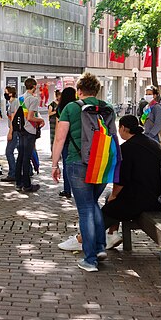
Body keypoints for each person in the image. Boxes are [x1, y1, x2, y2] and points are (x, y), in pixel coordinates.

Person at [51, 72, 110, 272]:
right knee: (94, 204)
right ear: (97, 90)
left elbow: (60, 139)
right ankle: (101, 247)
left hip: (78, 162)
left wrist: (54, 164)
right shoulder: (107, 108)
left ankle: (90, 258)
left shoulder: (71, 107)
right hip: (102, 163)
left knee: (85, 209)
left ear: (79, 91)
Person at [100, 115, 161, 247]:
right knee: (112, 199)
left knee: (109, 207)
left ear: (123, 128)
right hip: (159, 196)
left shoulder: (126, 148)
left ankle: (83, 239)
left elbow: (121, 180)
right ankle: (112, 235)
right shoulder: (153, 143)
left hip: (141, 200)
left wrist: (114, 195)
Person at [16, 77, 44, 193]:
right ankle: (27, 185)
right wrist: (41, 120)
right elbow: (30, 117)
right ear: (34, 87)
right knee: (27, 157)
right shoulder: (33, 99)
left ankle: (19, 182)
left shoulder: (21, 98)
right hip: (29, 130)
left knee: (21, 156)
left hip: (21, 129)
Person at [55, 87, 77, 199]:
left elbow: (59, 128)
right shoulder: (77, 107)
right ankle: (76, 189)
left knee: (66, 166)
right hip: (77, 140)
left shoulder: (61, 108)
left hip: (66, 141)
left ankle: (67, 189)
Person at [1, 85, 20, 183]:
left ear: (10, 93)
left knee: (9, 152)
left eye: (6, 92)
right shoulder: (12, 102)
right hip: (17, 130)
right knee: (21, 150)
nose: (4, 94)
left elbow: (13, 119)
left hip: (15, 130)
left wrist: (10, 132)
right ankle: (27, 170)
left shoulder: (14, 103)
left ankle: (13, 174)